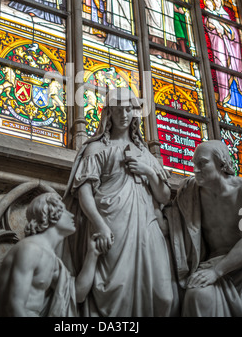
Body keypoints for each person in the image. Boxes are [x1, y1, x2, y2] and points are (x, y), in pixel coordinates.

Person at [63, 88, 177, 317]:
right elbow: (84, 193)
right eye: (118, 110)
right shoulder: (96, 149)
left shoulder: (147, 155)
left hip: (148, 226)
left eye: (129, 109)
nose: (124, 115)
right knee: (115, 290)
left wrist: (149, 172)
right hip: (112, 223)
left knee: (164, 295)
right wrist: (100, 225)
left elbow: (164, 196)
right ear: (108, 114)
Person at [165, 140, 242, 317]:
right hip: (208, 263)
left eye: (202, 163)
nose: (195, 170)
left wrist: (216, 272)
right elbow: (172, 222)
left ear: (221, 162)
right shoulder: (191, 192)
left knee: (199, 294)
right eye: (194, 164)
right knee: (190, 293)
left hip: (239, 266)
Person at [0, 192, 101, 317]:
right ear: (50, 213)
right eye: (65, 210)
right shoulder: (31, 249)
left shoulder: (51, 259)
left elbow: (77, 294)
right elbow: (13, 306)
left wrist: (92, 254)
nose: (72, 215)